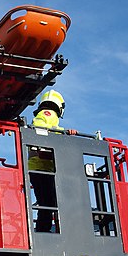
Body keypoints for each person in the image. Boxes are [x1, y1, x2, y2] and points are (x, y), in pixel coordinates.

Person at [28, 90, 76, 232]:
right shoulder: (47, 114)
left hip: (43, 168)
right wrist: (65, 134)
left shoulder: (49, 116)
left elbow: (53, 132)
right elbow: (42, 131)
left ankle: (47, 229)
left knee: (50, 201)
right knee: (47, 202)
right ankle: (44, 230)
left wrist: (66, 133)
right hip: (40, 167)